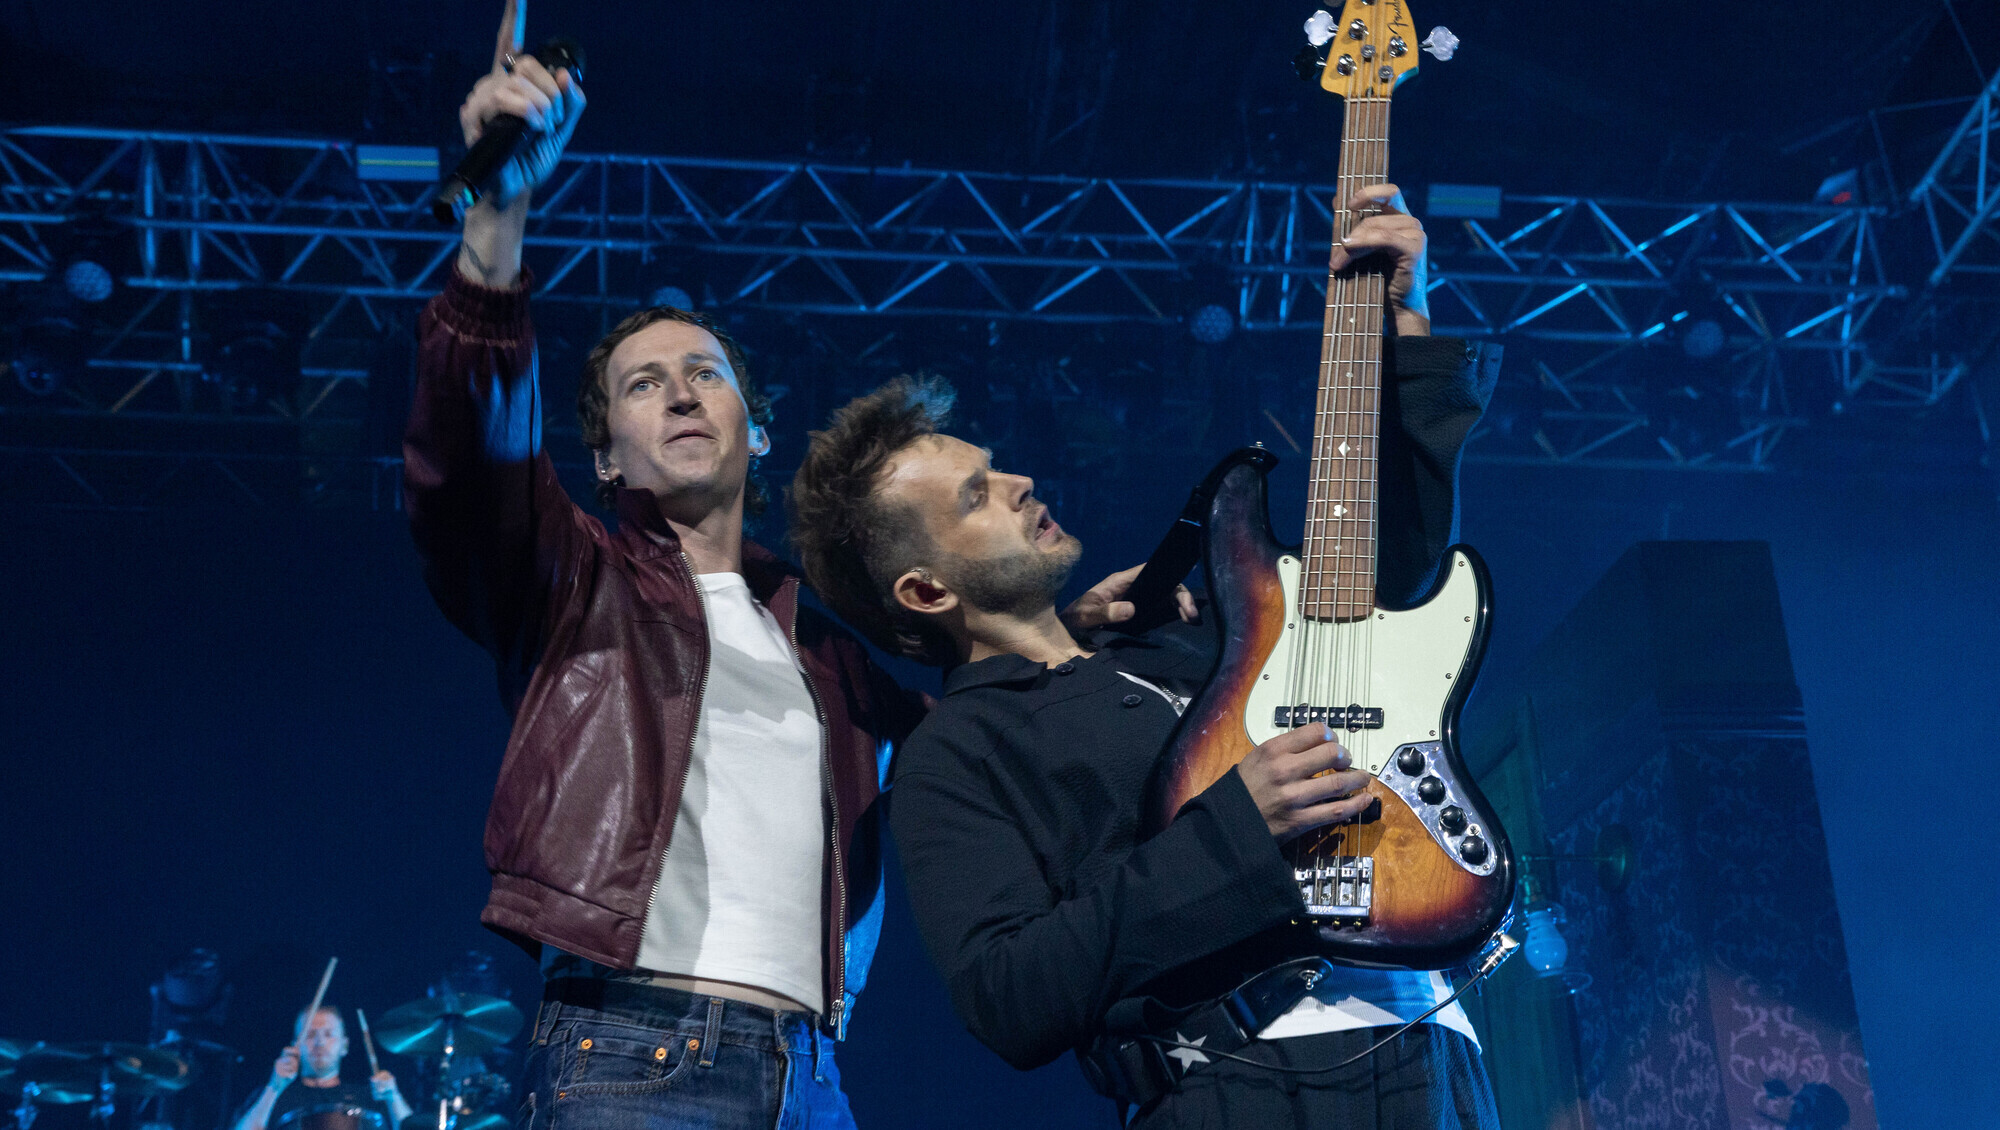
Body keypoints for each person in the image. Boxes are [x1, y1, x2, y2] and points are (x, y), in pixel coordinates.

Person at [404, 4, 1144, 1125]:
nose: (680, 392)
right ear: (604, 455)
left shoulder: (823, 650)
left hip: (810, 1072)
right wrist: (497, 220)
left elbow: (968, 725)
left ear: (754, 431)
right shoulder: (570, 584)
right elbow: (467, 461)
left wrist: (1071, 630)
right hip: (628, 1050)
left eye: (704, 373)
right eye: (644, 384)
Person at [787, 185, 1504, 1127]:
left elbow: (1390, 588)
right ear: (926, 592)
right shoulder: (957, 752)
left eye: (995, 467)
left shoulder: (1197, 635)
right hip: (1238, 1087)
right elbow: (1006, 994)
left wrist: (1404, 329)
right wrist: (1234, 831)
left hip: (1434, 1054)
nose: (1019, 482)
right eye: (975, 496)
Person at [231, 1007, 412, 1130]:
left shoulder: (369, 1097)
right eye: (310, 1035)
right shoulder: (274, 1097)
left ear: (344, 1046)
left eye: (328, 1034)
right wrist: (273, 1088)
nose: (319, 1042)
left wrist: (393, 1097)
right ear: (296, 1046)